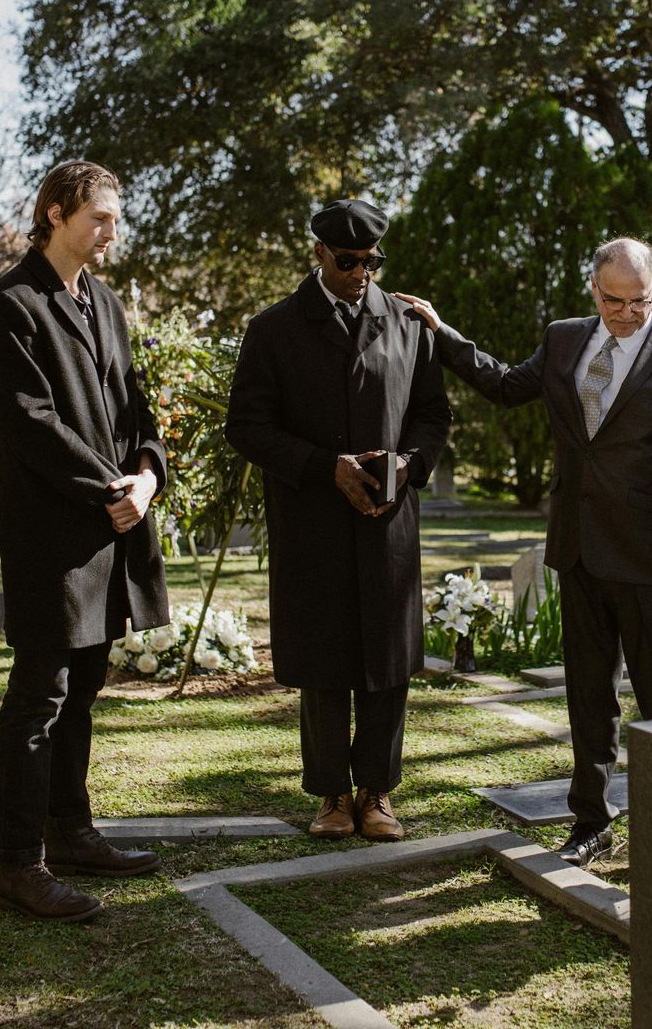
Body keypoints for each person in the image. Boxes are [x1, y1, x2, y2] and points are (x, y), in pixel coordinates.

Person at [394, 237, 652, 868]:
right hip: (577, 550)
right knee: (587, 697)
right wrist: (443, 333)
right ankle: (590, 823)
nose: (626, 313)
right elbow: (504, 384)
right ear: (592, 289)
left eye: (640, 301)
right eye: (613, 300)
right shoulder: (565, 337)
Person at [0, 160, 168, 922]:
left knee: (84, 687)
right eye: (100, 218)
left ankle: (72, 830)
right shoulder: (13, 304)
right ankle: (18, 864)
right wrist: (108, 489)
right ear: (55, 214)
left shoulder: (105, 300)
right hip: (53, 534)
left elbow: (136, 404)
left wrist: (147, 475)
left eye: (115, 218)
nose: (112, 231)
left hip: (110, 526)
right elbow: (28, 422)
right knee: (41, 696)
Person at [226, 198, 450, 842]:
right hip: (312, 521)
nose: (362, 274)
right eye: (349, 261)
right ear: (319, 253)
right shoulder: (272, 330)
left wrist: (409, 465)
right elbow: (247, 426)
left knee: (385, 660)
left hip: (388, 521)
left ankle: (377, 793)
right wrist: (326, 467)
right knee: (325, 660)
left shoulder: (409, 325)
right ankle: (330, 795)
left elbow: (434, 416)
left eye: (372, 261)